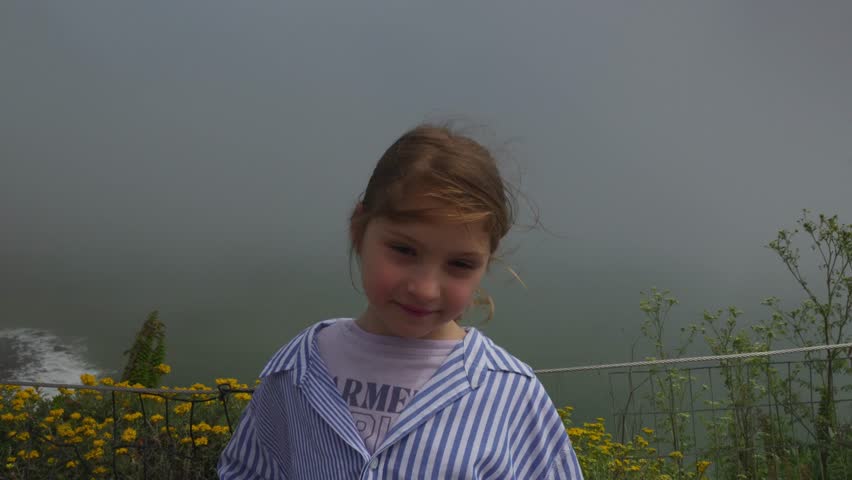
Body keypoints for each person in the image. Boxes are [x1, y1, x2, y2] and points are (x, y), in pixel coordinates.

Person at [218, 124, 583, 479]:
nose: (425, 289)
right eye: (404, 250)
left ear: (487, 261)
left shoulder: (510, 392)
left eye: (460, 264)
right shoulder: (297, 369)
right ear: (358, 230)